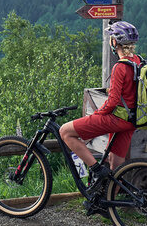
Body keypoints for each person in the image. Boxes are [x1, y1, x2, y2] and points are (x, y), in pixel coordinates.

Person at [59, 20, 140, 195]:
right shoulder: (139, 62)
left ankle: (96, 168)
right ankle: (110, 205)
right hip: (132, 120)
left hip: (117, 119)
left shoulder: (120, 67)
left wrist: (97, 115)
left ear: (115, 42)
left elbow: (112, 102)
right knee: (116, 165)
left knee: (65, 132)